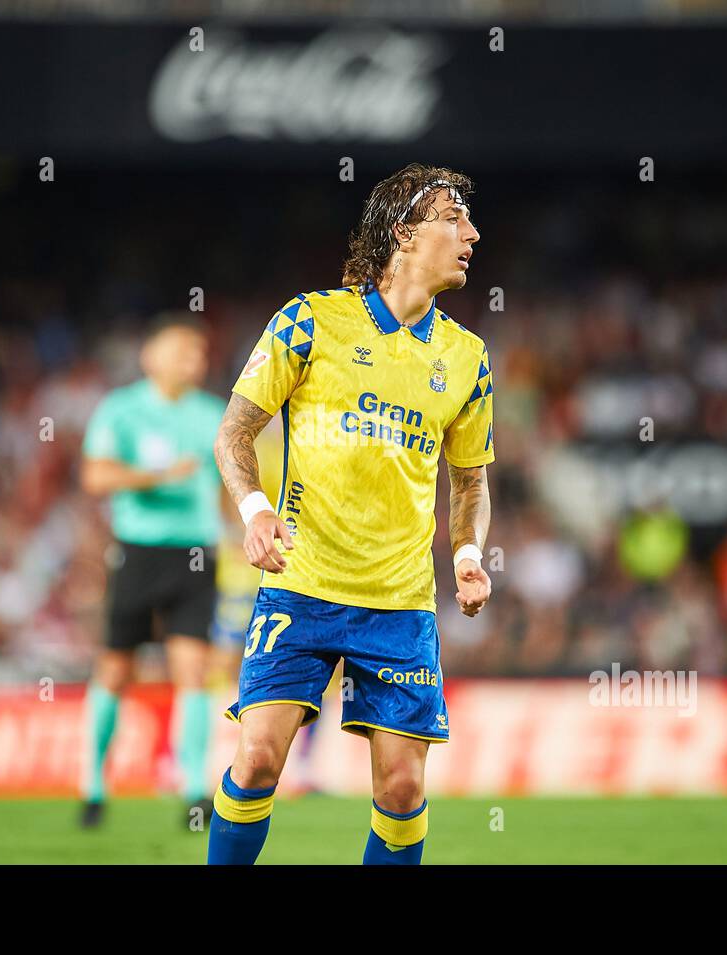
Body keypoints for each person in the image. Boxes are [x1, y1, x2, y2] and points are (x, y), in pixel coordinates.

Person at [207, 164, 495, 865]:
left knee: (400, 787)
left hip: (398, 604)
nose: (472, 233)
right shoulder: (311, 320)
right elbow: (233, 432)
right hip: (301, 586)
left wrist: (467, 557)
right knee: (257, 761)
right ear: (404, 231)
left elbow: (471, 483)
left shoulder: (467, 358)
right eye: (453, 218)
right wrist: (255, 509)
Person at [79, 313, 226, 828]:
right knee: (116, 670)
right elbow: (96, 476)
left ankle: (194, 791)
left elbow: (233, 482)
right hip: (138, 553)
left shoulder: (214, 413)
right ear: (151, 357)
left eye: (200, 354)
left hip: (196, 555)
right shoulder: (121, 410)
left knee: (193, 670)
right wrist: (157, 477)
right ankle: (93, 787)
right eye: (184, 351)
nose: (195, 361)